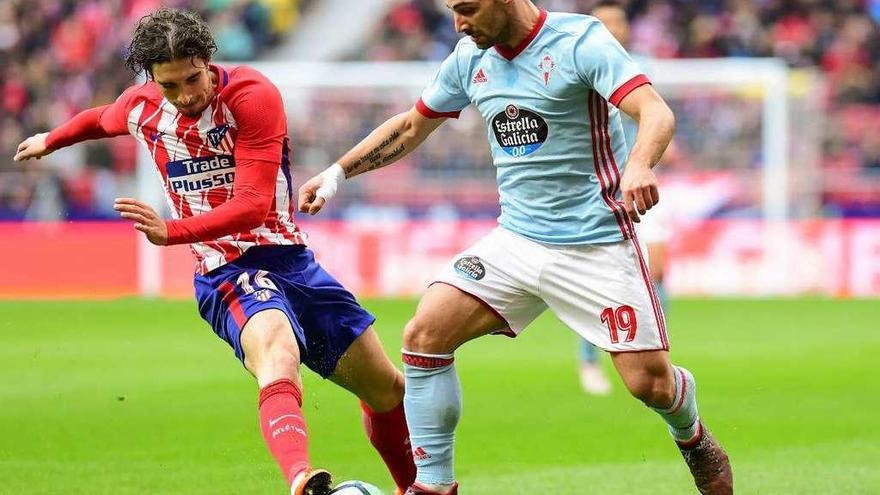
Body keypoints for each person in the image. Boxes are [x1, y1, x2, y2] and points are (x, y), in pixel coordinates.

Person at [298, 1, 733, 494]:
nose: (459, 24)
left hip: (596, 244)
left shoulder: (578, 42)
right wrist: (337, 173)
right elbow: (411, 126)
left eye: (467, 9)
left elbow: (654, 111)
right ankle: (434, 486)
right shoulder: (469, 58)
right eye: (452, 12)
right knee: (424, 334)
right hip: (517, 240)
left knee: (650, 385)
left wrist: (640, 163)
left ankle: (690, 431)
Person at [14, 8, 415, 495]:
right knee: (277, 350)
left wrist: (172, 230)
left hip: (290, 259)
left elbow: (251, 207)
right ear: (152, 81)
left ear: (208, 61)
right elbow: (100, 119)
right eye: (169, 86)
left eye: (192, 79)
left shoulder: (252, 97)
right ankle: (301, 478)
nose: (185, 96)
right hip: (224, 271)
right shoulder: (142, 107)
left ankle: (413, 488)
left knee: (387, 390)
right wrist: (51, 139)